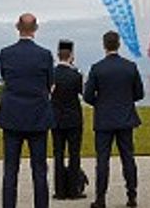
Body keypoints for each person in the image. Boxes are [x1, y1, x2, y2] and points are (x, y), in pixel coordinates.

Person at [0, 13, 54, 208]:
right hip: (37, 115)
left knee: (10, 170)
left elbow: (5, 76)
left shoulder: (6, 53)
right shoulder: (44, 55)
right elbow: (49, 83)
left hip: (12, 115)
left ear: (17, 27)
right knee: (39, 169)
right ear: (36, 28)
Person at [83, 30, 144, 208]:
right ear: (118, 44)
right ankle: (131, 195)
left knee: (102, 160)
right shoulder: (130, 67)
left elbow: (87, 96)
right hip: (125, 118)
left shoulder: (97, 68)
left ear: (104, 45)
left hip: (104, 119)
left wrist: (100, 103)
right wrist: (125, 101)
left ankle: (101, 198)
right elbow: (139, 93)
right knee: (128, 158)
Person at [51, 39, 86, 201]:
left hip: (56, 119)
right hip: (73, 119)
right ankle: (73, 189)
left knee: (58, 154)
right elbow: (82, 93)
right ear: (71, 56)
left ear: (58, 56)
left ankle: (59, 190)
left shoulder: (52, 74)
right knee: (74, 154)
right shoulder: (76, 75)